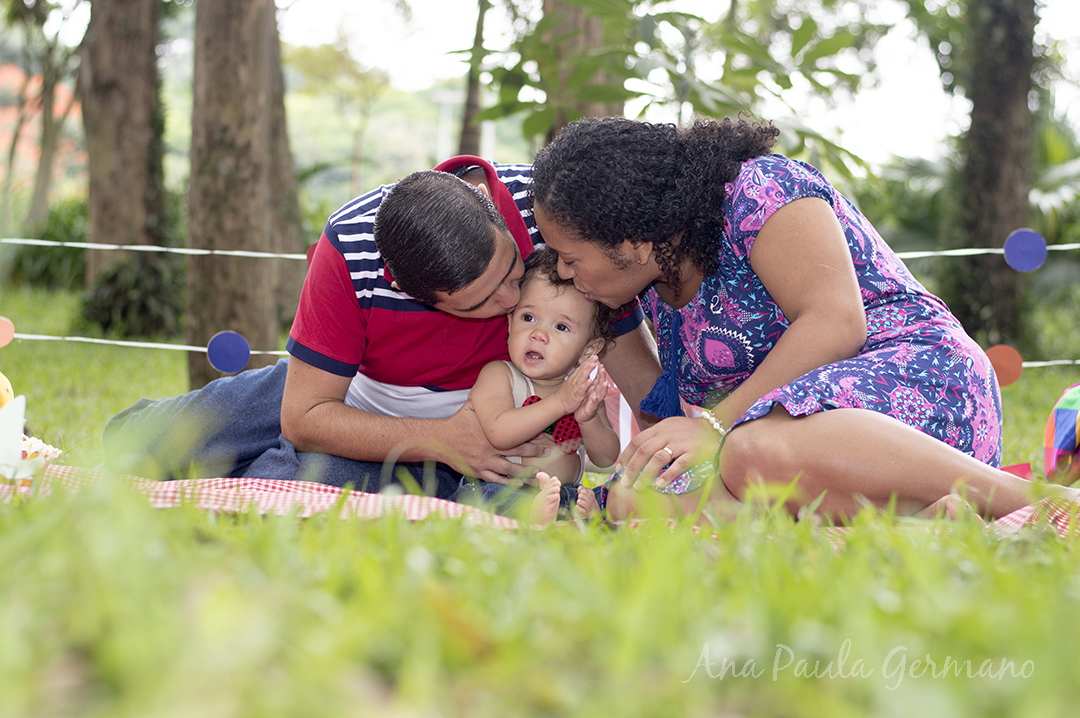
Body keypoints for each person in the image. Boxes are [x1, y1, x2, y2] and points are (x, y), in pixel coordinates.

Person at [529, 116, 1080, 522]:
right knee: (635, 501)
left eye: (571, 258)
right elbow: (667, 430)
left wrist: (715, 427)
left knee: (753, 453)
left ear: (636, 242)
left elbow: (836, 324)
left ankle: (1044, 504)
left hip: (918, 384)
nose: (564, 272)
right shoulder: (634, 290)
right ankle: (916, 523)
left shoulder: (761, 192)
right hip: (782, 440)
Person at [104, 156, 659, 499]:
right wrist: (443, 440)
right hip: (345, 397)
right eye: (482, 302)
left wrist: (672, 445)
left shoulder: (549, 215)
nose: (512, 302)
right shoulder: (350, 247)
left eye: (513, 273)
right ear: (409, 291)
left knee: (301, 493)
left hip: (463, 437)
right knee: (141, 444)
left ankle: (243, 477)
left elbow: (623, 346)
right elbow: (306, 415)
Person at [460, 248, 620, 523]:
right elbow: (499, 433)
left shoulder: (581, 390)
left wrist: (588, 419)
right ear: (510, 322)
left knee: (611, 498)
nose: (538, 334)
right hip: (501, 488)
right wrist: (560, 402)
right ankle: (533, 519)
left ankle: (574, 519)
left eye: (561, 327)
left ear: (588, 349)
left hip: (563, 493)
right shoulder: (500, 375)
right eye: (528, 318)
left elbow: (606, 458)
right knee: (491, 504)